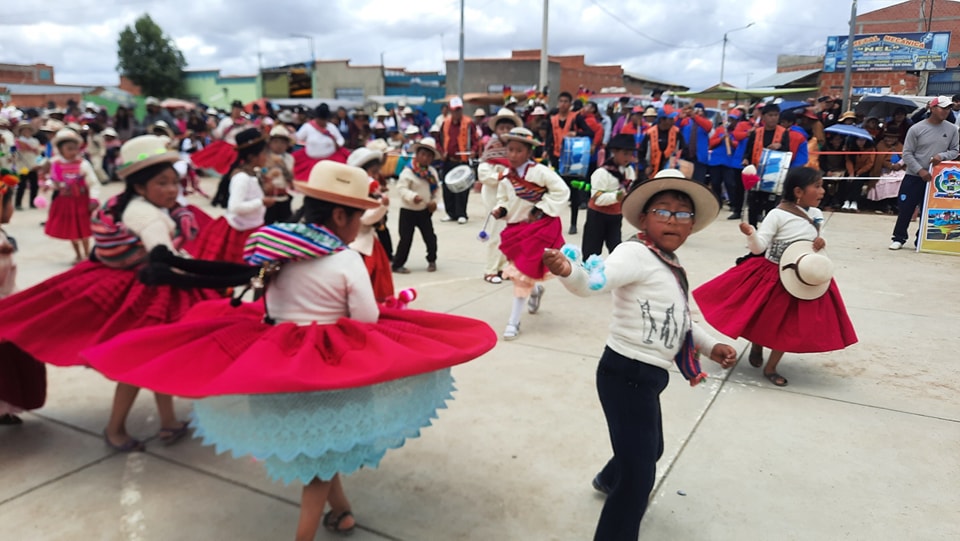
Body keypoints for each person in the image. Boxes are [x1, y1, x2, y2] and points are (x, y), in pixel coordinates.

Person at [80, 160, 497, 540]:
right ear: (339, 215)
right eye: (358, 216)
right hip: (329, 372)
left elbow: (268, 303)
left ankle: (344, 511)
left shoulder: (275, 251)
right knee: (319, 460)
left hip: (278, 364)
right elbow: (366, 319)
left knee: (322, 450)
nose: (360, 225)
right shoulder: (344, 258)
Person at [542, 168, 735, 540]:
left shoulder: (671, 265)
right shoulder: (634, 252)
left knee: (651, 448)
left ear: (692, 226)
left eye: (682, 214)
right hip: (624, 373)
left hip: (648, 378)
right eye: (662, 210)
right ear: (643, 219)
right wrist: (570, 272)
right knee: (639, 475)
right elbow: (595, 281)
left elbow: (683, 319)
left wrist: (712, 345)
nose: (673, 220)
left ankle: (605, 478)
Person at [0, 134, 217, 447]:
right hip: (148, 295)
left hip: (151, 291)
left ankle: (168, 420)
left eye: (174, 182)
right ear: (140, 186)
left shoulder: (137, 206)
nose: (172, 190)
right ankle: (115, 429)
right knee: (139, 364)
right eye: (163, 183)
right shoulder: (145, 214)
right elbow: (164, 257)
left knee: (157, 357)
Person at [693, 168, 858, 387]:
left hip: (801, 278)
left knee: (787, 325)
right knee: (763, 317)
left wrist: (820, 242)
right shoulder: (777, 214)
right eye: (817, 186)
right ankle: (757, 345)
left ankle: (771, 367)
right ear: (798, 191)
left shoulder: (817, 215)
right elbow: (759, 246)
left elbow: (814, 240)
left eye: (821, 185)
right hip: (773, 274)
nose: (822, 190)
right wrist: (751, 234)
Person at [491, 127, 570, 340]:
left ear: (528, 152)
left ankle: (513, 322)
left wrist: (542, 208)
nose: (514, 155)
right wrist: (501, 209)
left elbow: (561, 191)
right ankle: (534, 292)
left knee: (521, 275)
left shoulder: (540, 172)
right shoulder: (507, 177)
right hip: (515, 230)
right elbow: (503, 198)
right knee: (522, 271)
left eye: (519, 151)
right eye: (511, 150)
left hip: (539, 228)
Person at [194, 128, 275, 262]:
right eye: (264, 153)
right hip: (240, 232)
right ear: (251, 157)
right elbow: (235, 207)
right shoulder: (242, 178)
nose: (266, 157)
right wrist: (261, 202)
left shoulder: (253, 173)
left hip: (251, 226)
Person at [890, 96, 960, 250]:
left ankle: (921, 239)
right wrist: (920, 170)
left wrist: (941, 156)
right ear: (933, 108)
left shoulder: (952, 129)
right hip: (914, 176)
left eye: (948, 108)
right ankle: (899, 237)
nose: (946, 111)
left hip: (937, 178)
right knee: (906, 207)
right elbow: (907, 153)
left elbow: (955, 150)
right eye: (943, 107)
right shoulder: (916, 128)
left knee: (929, 210)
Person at [477, 108, 522, 284]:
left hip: (512, 197)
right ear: (496, 130)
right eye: (501, 128)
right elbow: (483, 173)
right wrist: (499, 176)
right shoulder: (491, 149)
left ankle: (503, 267)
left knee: (509, 233)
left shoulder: (517, 150)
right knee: (496, 232)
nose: (504, 132)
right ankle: (490, 270)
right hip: (494, 196)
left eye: (508, 128)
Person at [42, 128, 99, 263]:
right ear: (61, 149)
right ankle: (78, 254)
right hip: (66, 202)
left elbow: (93, 183)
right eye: (69, 149)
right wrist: (48, 185)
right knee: (72, 230)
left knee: (84, 229)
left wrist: (94, 199)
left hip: (82, 201)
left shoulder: (83, 164)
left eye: (75, 149)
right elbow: (53, 180)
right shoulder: (55, 164)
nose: (73, 152)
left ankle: (86, 254)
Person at [346, 146, 395, 302]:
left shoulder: (371, 191)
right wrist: (382, 205)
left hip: (368, 241)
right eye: (371, 173)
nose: (374, 177)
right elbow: (364, 220)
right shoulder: (354, 194)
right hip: (358, 243)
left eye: (375, 173)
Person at [545, 91, 595, 235]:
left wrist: (577, 134)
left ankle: (573, 224)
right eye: (561, 101)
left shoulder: (576, 117)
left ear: (570, 104)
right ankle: (553, 222)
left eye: (566, 101)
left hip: (572, 160)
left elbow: (590, 132)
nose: (563, 104)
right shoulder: (553, 119)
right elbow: (549, 137)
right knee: (555, 191)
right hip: (556, 158)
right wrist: (546, 150)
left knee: (574, 192)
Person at [581, 134, 636, 258]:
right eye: (625, 153)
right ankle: (589, 274)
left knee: (616, 249)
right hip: (597, 216)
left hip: (616, 216)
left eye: (630, 154)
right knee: (591, 251)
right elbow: (597, 198)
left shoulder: (629, 171)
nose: (628, 157)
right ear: (614, 152)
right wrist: (616, 197)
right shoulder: (602, 173)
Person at [392, 137, 441, 274]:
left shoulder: (432, 173)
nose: (425, 158)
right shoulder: (408, 171)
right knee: (405, 238)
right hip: (408, 210)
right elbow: (401, 189)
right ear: (417, 154)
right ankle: (398, 264)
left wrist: (434, 202)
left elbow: (437, 190)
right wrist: (413, 197)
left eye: (429, 156)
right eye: (423, 154)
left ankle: (432, 260)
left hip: (424, 211)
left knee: (430, 237)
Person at [741, 103, 787, 226]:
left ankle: (767, 232)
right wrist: (746, 159)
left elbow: (788, 152)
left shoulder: (783, 133)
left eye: (776, 115)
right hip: (756, 172)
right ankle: (752, 231)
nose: (773, 118)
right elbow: (748, 151)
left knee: (771, 206)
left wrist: (780, 146)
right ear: (763, 117)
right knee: (754, 204)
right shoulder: (756, 132)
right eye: (770, 115)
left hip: (774, 174)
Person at [438, 97, 478, 224]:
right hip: (448, 159)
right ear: (450, 110)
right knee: (447, 187)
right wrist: (441, 152)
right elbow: (438, 140)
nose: (457, 113)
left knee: (461, 188)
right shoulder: (445, 123)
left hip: (462, 160)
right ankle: (450, 213)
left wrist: (473, 151)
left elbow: (476, 140)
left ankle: (462, 214)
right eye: (455, 110)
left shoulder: (469, 123)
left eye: (459, 110)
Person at [292, 103, 350, 181]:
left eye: (324, 119)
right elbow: (298, 138)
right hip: (311, 161)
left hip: (331, 160)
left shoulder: (331, 127)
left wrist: (337, 144)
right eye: (320, 119)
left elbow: (340, 140)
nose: (322, 122)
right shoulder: (307, 127)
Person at [190, 100, 250, 174]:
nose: (237, 111)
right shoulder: (226, 121)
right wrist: (213, 128)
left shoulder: (245, 122)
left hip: (239, 148)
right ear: (232, 110)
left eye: (239, 109)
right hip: (227, 147)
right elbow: (218, 135)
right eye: (235, 109)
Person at [639, 107, 687, 178]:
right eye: (670, 119)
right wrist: (645, 166)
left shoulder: (677, 133)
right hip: (652, 174)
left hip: (670, 173)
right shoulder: (650, 133)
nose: (673, 121)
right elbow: (640, 153)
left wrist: (677, 162)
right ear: (662, 120)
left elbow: (684, 150)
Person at [263, 125, 295, 224]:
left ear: (287, 145)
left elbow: (290, 177)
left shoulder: (289, 158)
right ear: (270, 143)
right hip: (268, 197)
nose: (279, 145)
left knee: (286, 225)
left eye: (282, 142)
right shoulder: (264, 157)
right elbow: (261, 172)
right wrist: (268, 170)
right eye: (276, 141)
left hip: (283, 197)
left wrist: (282, 165)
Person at [678, 103, 713, 185]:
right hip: (685, 156)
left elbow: (708, 127)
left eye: (699, 110)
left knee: (698, 183)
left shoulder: (706, 122)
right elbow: (676, 127)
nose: (697, 112)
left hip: (699, 158)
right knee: (683, 182)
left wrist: (695, 117)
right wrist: (680, 116)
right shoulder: (686, 121)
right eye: (695, 110)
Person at [840, 135, 876, 212]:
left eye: (863, 140)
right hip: (852, 170)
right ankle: (846, 201)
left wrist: (858, 173)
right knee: (847, 180)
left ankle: (854, 202)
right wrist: (851, 173)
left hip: (864, 170)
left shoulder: (871, 149)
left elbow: (870, 163)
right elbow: (848, 161)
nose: (861, 142)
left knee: (858, 182)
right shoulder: (850, 148)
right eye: (858, 140)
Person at [13, 121, 43, 210]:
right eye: (24, 130)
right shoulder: (18, 141)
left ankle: (33, 203)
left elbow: (39, 153)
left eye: (28, 130)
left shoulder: (35, 141)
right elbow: (15, 153)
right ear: (21, 131)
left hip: (33, 165)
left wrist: (38, 163)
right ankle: (18, 203)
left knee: (34, 185)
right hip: (23, 166)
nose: (26, 132)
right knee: (22, 184)